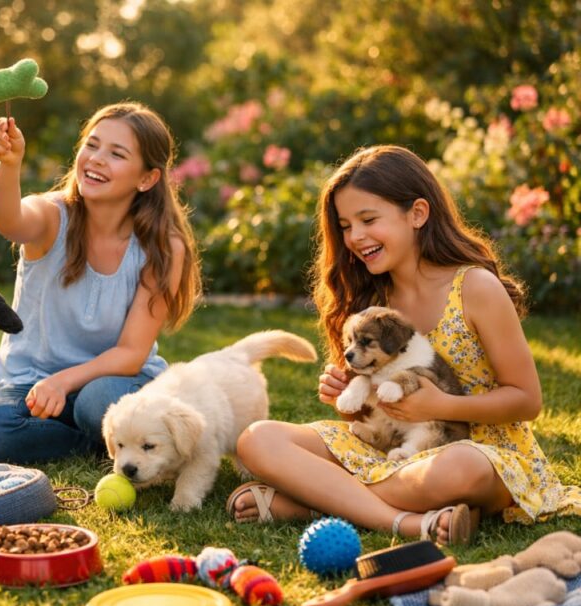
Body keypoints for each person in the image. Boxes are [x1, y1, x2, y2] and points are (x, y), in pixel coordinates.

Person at [229, 145, 581, 545]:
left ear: (417, 213)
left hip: (478, 450)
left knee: (457, 470)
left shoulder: (474, 288)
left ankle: (309, 502)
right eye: (345, 225)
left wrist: (442, 406)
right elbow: (372, 423)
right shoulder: (369, 305)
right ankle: (411, 522)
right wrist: (350, 399)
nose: (355, 237)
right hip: (394, 450)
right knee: (258, 440)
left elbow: (526, 400)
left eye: (368, 219)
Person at [0, 102, 201, 463]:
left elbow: (131, 354)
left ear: (147, 178)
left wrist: (65, 381)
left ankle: (107, 434)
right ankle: (100, 444)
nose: (97, 158)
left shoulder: (163, 247)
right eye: (92, 144)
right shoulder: (53, 216)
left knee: (95, 402)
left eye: (117, 154)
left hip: (114, 384)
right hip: (33, 383)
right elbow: (8, 221)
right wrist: (9, 165)